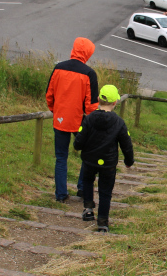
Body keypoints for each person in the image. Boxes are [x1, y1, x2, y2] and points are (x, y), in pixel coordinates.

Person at [74, 84, 134, 232]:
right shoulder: (119, 122)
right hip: (108, 163)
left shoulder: (89, 119)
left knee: (87, 182)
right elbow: (126, 143)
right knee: (105, 191)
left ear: (98, 99)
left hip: (89, 159)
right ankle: (102, 221)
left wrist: (79, 145)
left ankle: (88, 209)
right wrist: (128, 161)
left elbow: (79, 142)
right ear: (115, 103)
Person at [44, 37, 99, 203]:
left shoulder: (58, 68)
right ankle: (82, 188)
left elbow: (49, 95)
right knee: (88, 154)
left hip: (60, 118)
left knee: (61, 157)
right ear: (88, 52)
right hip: (80, 121)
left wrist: (56, 111)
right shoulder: (89, 73)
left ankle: (61, 194)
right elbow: (91, 105)